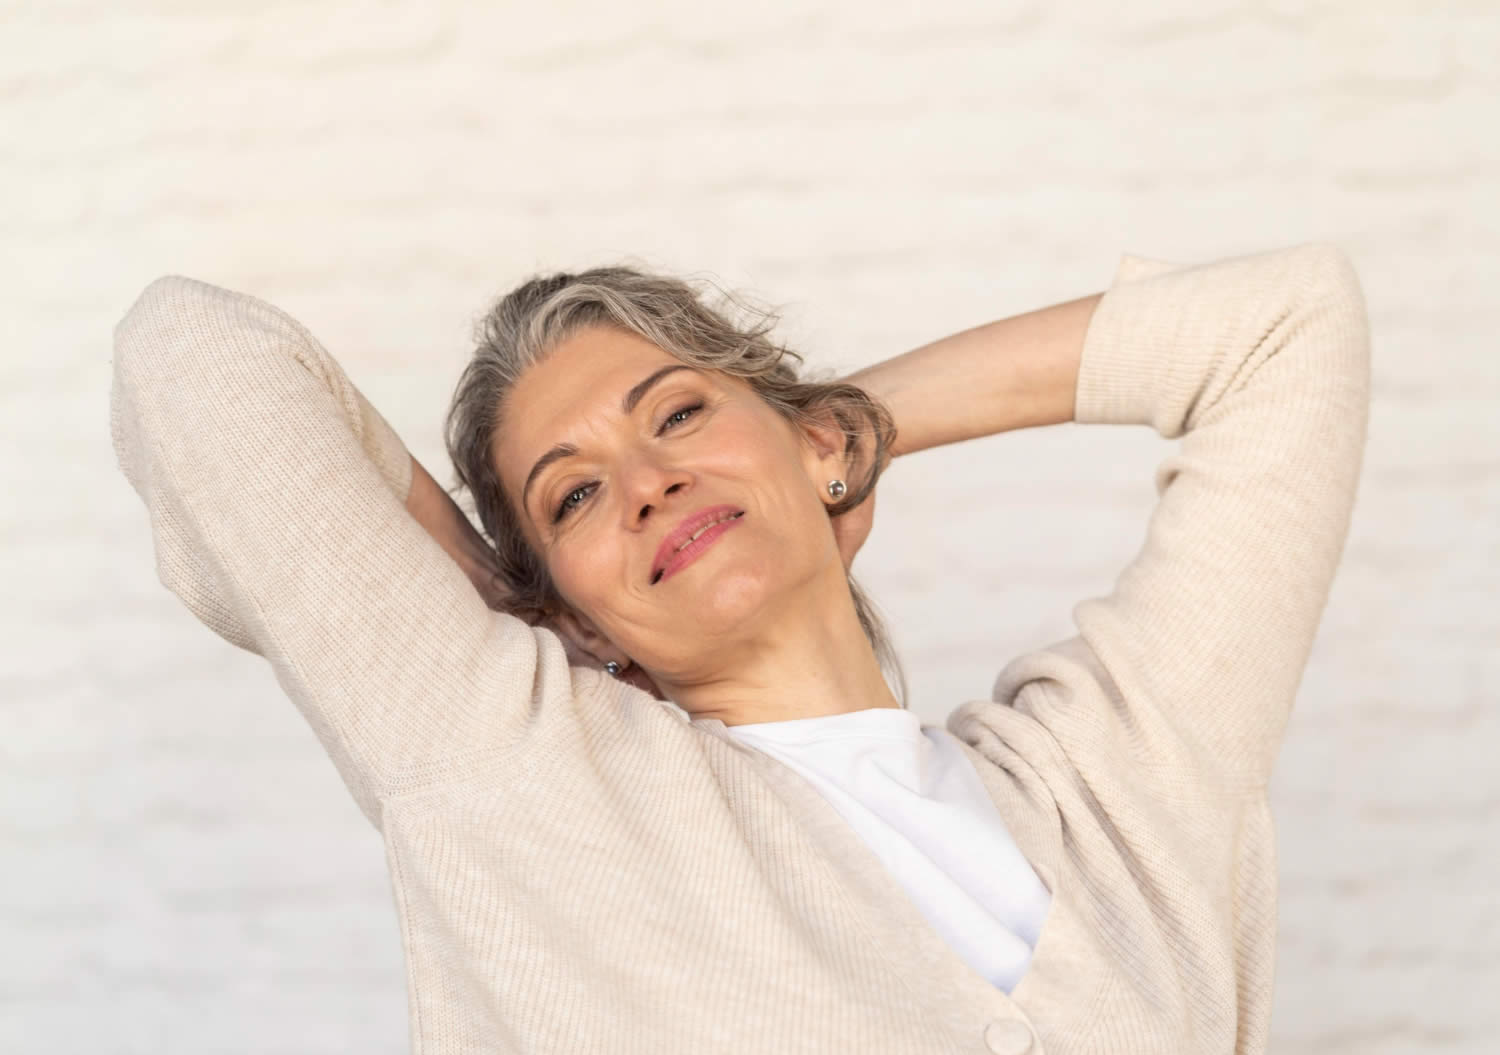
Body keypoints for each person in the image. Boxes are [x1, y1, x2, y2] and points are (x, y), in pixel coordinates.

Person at [110, 242, 1370, 1054]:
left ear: (815, 444)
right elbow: (194, 355)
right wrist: (526, 618)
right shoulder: (534, 780)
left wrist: (842, 428)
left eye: (679, 413)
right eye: (575, 497)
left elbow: (1285, 330)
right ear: (565, 609)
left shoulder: (1115, 781)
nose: (648, 479)